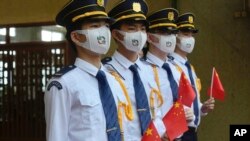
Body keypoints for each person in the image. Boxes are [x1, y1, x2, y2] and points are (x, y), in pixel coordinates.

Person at [44, 0, 127, 141]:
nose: (104, 32)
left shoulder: (114, 78)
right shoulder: (63, 83)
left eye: (106, 26)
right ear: (76, 36)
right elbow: (56, 136)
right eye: (95, 26)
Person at [102, 0, 166, 140]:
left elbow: (156, 110)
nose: (139, 34)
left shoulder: (149, 70)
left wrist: (162, 131)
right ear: (116, 34)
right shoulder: (105, 73)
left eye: (142, 29)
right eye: (132, 29)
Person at [143, 8, 195, 140]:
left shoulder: (176, 67)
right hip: (157, 136)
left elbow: (183, 99)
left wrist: (190, 113)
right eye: (164, 33)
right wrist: (162, 130)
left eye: (173, 33)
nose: (170, 38)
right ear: (150, 37)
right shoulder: (143, 69)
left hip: (180, 135)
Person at [168, 13, 215, 141]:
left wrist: (202, 108)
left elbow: (191, 101)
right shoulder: (168, 66)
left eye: (191, 35)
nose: (189, 38)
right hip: (178, 131)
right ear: (175, 37)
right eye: (185, 34)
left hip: (192, 131)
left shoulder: (189, 68)